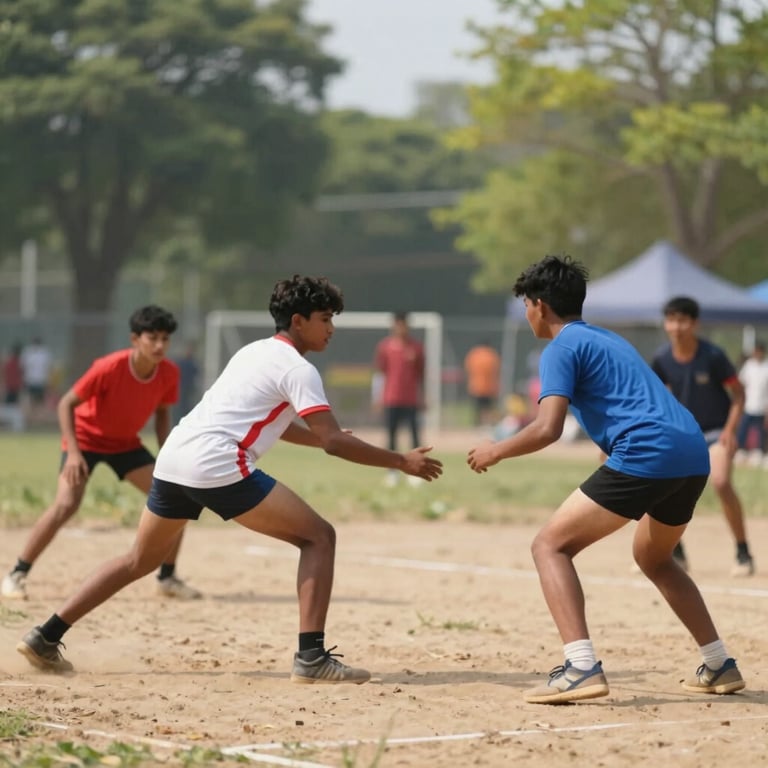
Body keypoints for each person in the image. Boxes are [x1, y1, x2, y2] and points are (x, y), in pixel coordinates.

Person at [15, 275, 443, 681]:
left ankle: (46, 635)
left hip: (174, 459)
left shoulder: (254, 352)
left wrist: (325, 438)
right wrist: (400, 461)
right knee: (319, 537)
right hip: (216, 464)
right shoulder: (298, 369)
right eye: (326, 318)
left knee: (138, 561)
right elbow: (333, 441)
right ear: (299, 321)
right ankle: (311, 656)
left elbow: (285, 426)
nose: (332, 328)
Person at [467, 255, 745, 705]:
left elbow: (547, 427)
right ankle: (718, 663)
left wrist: (493, 450)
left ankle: (580, 666)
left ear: (539, 305)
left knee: (549, 546)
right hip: (691, 452)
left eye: (526, 305)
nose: (526, 314)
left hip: (648, 452)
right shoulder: (605, 338)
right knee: (654, 557)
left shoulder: (560, 347)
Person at [1, 306, 201, 602]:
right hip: (85, 440)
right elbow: (65, 403)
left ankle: (167, 577)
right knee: (66, 503)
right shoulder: (109, 367)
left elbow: (161, 415)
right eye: (152, 338)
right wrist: (73, 453)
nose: (160, 345)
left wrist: (167, 455)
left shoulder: (169, 373)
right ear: (135, 339)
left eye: (165, 339)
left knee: (178, 498)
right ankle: (16, 574)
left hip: (125, 445)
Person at [651, 296, 755, 577]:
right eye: (671, 320)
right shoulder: (661, 358)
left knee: (720, 481)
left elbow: (739, 394)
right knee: (653, 480)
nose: (676, 326)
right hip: (683, 434)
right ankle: (676, 553)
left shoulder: (712, 356)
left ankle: (743, 552)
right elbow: (655, 398)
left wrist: (731, 431)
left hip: (715, 431)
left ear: (694, 323)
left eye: (682, 320)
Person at [374, 311, 425, 487]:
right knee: (391, 437)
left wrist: (423, 396)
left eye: (404, 324)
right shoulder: (385, 347)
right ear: (394, 326)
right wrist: (377, 396)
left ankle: (417, 473)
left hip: (410, 399)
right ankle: (392, 472)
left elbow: (421, 375)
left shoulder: (416, 348)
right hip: (391, 399)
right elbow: (380, 373)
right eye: (398, 324)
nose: (401, 328)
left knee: (415, 436)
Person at [735, 340, 768, 468]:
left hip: (761, 406)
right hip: (748, 405)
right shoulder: (749, 366)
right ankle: (740, 451)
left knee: (761, 431)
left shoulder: (766, 367)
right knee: (743, 429)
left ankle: (759, 453)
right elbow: (741, 384)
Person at [464, 341, 501, 427]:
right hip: (489, 386)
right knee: (488, 407)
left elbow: (468, 368)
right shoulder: (491, 355)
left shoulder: (474, 354)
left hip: (476, 386)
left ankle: (477, 423)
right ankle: (487, 423)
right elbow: (496, 370)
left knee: (477, 407)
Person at [20, 336, 52, 421]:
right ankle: (30, 418)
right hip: (31, 380)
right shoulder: (28, 352)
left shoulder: (44, 353)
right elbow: (23, 367)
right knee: (31, 401)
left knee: (39, 401)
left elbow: (47, 368)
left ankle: (39, 419)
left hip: (39, 380)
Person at [174, 341, 200, 425]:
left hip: (189, 389)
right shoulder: (181, 362)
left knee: (188, 407)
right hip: (181, 389)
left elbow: (196, 374)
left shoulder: (193, 363)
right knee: (180, 408)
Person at [1, 343, 25, 432]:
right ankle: (10, 424)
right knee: (12, 406)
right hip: (14, 387)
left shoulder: (9, 362)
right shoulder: (17, 363)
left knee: (9, 406)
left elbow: (5, 375)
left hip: (11, 387)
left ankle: (9, 424)